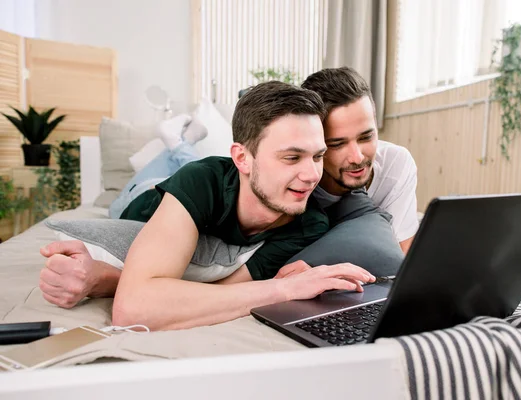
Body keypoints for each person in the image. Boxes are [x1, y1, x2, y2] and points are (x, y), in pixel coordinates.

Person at [39, 81, 375, 330]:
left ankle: (182, 144)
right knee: (166, 170)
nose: (311, 175)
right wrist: (284, 288)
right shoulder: (200, 181)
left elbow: (217, 293)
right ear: (242, 157)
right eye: (291, 157)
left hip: (222, 178)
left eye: (318, 156)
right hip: (138, 198)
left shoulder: (308, 220)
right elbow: (134, 310)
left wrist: (111, 280)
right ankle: (176, 143)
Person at [301, 67, 419, 255]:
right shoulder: (298, 179)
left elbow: (403, 253)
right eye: (337, 144)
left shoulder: (395, 163)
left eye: (366, 137)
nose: (357, 157)